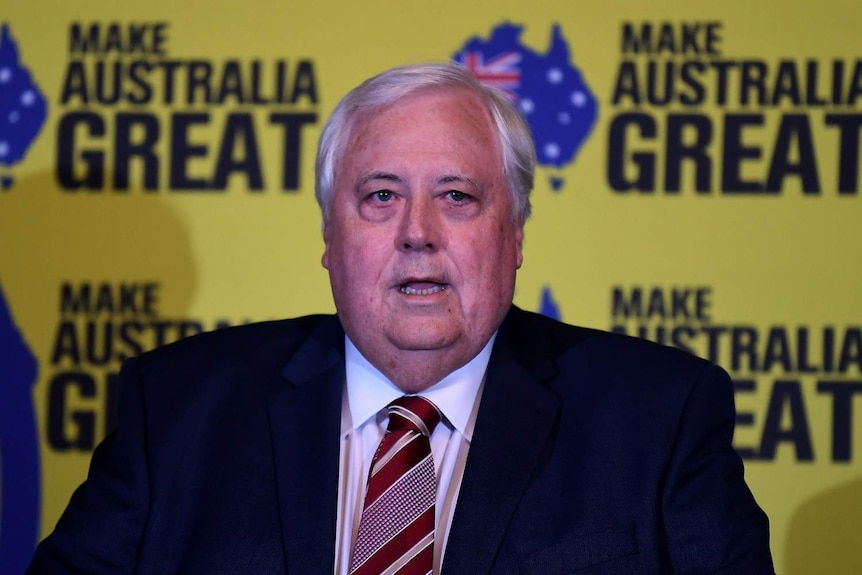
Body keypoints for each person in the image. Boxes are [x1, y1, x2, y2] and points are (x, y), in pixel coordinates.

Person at [28, 62, 774, 574]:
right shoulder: (178, 411)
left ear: (514, 237)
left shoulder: (659, 418)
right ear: (329, 238)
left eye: (457, 196)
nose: (418, 231)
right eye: (381, 196)